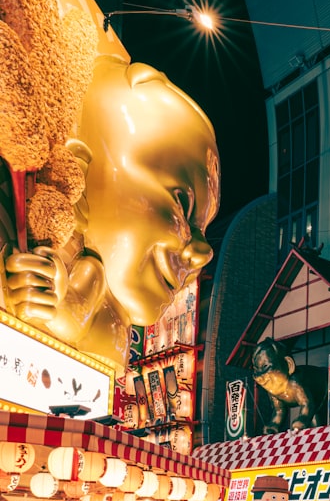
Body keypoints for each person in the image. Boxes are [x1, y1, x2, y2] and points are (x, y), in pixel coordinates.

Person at [3, 55, 220, 369]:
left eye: (202, 226)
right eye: (182, 205)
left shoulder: (99, 297)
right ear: (80, 170)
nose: (203, 253)